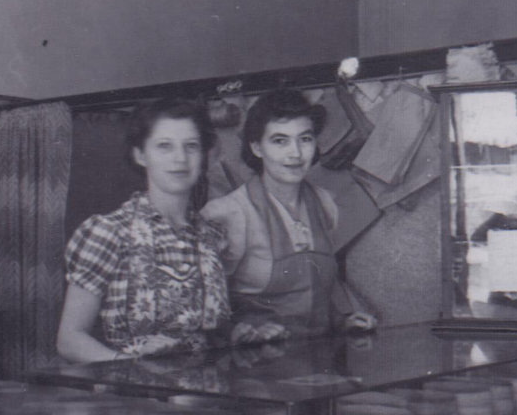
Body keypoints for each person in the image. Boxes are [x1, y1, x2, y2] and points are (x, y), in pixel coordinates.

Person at [56, 99, 231, 363]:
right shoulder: (109, 232)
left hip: (207, 384)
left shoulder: (212, 236)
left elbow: (214, 331)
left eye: (191, 146)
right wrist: (131, 365)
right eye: (164, 146)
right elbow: (69, 340)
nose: (180, 159)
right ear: (140, 155)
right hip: (132, 385)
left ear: (204, 155)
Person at [201, 89, 377, 339]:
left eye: (304, 139)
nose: (295, 153)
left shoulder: (324, 203)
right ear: (256, 147)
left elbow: (317, 290)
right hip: (254, 359)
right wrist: (239, 331)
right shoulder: (228, 213)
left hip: (316, 356)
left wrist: (341, 321)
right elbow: (203, 307)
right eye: (280, 141)